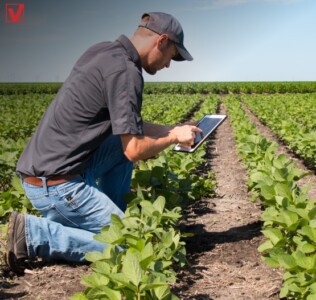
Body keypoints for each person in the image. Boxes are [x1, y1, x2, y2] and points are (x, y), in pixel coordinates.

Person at [5, 12, 202, 274]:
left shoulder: (103, 52)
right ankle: (35, 234)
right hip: (56, 186)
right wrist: (174, 138)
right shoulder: (126, 73)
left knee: (117, 147)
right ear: (162, 41)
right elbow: (134, 150)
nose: (169, 64)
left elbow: (130, 130)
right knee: (132, 247)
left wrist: (172, 128)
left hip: (48, 170)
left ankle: (108, 218)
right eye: (173, 55)